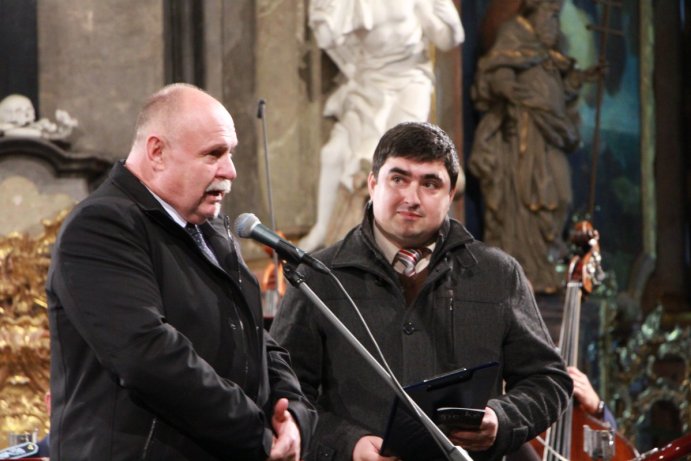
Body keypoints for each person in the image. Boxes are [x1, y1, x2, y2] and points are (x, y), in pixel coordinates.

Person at [270, 121, 572, 461]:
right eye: (398, 179)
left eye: (430, 184)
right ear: (373, 184)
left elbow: (548, 381)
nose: (411, 198)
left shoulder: (498, 274)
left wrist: (501, 420)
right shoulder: (316, 276)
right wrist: (348, 445)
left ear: (451, 193)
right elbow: (286, 393)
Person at [46, 83, 316, 461]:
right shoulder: (102, 225)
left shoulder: (211, 228)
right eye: (214, 154)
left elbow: (256, 334)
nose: (231, 171)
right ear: (157, 152)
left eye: (231, 154)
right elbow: (146, 356)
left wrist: (292, 414)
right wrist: (257, 432)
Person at [299, 0, 465, 252]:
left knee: (393, 157)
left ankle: (397, 241)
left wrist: (439, 11)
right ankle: (324, 229)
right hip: (368, 84)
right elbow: (327, 37)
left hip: (408, 82)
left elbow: (449, 38)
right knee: (333, 154)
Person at [468, 0, 600, 293]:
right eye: (551, 17)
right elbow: (494, 73)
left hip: (550, 135)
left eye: (556, 18)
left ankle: (546, 262)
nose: (554, 26)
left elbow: (558, 92)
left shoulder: (547, 56)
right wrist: (509, 90)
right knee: (529, 197)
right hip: (522, 139)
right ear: (534, 14)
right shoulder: (512, 37)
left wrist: (580, 78)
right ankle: (523, 269)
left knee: (561, 196)